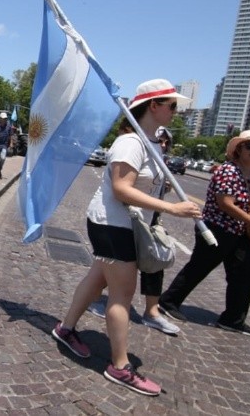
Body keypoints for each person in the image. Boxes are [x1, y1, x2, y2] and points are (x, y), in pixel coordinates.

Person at [51, 79, 201, 396]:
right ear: (154, 106)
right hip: (112, 224)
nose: (176, 111)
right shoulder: (131, 143)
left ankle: (65, 329)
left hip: (121, 225)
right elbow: (121, 190)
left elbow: (139, 186)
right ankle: (119, 367)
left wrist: (167, 192)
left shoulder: (149, 142)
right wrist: (172, 209)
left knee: (97, 279)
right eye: (172, 105)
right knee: (122, 294)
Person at [158, 130, 250, 337]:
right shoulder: (228, 171)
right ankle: (168, 302)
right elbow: (225, 204)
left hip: (239, 231)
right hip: (217, 228)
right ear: (239, 149)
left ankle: (233, 319)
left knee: (245, 275)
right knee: (199, 267)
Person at [87, 125, 181, 336]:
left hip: (147, 221)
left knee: (153, 263)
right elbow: (122, 187)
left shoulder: (159, 160)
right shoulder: (132, 148)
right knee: (109, 270)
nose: (164, 144)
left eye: (167, 142)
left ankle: (152, 311)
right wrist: (173, 208)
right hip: (121, 220)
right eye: (161, 140)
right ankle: (88, 311)